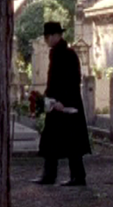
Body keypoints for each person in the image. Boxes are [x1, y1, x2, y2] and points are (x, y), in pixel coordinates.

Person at [32, 21, 91, 186]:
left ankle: (76, 176)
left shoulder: (67, 54)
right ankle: (51, 174)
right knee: (53, 139)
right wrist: (48, 98)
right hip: (56, 103)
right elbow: (53, 80)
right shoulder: (57, 53)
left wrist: (61, 101)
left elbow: (71, 80)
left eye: (47, 37)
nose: (46, 40)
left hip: (66, 104)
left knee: (71, 141)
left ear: (54, 36)